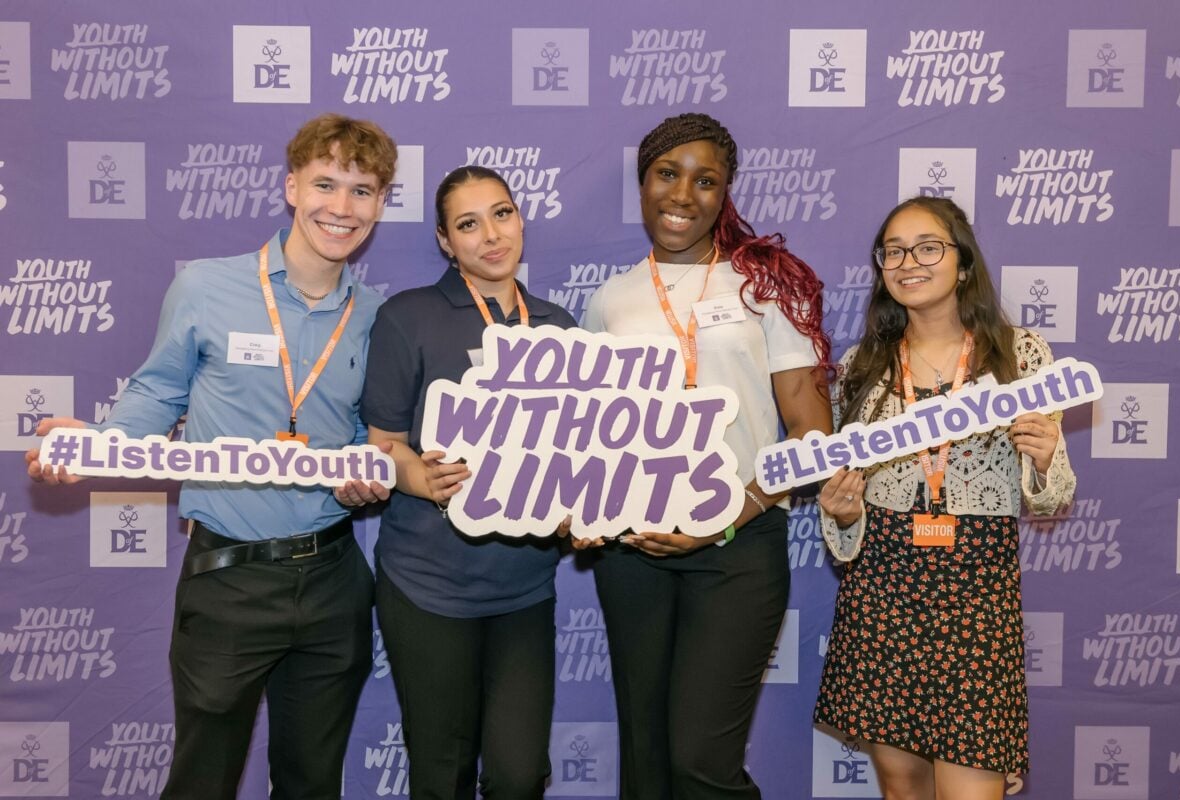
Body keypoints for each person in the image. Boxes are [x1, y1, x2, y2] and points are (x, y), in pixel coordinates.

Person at [25, 113, 397, 799]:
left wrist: (363, 476)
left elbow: (368, 434)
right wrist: (99, 446)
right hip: (229, 579)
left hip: (335, 578)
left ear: (379, 205)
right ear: (290, 187)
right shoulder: (207, 286)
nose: (341, 208)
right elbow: (158, 391)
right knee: (203, 780)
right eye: (325, 184)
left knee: (313, 782)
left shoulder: (377, 315)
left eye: (363, 191)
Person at [580, 112, 834, 799]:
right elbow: (590, 435)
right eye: (668, 174)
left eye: (705, 181)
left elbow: (812, 435)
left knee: (700, 762)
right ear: (643, 183)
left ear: (725, 196)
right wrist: (582, 509)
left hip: (737, 547)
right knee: (647, 753)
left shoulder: (766, 287)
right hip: (634, 552)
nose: (683, 194)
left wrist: (722, 517)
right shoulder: (609, 302)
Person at [813, 196, 1076, 800]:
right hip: (884, 589)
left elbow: (1050, 496)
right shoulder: (861, 367)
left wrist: (1043, 456)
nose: (910, 261)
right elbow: (846, 518)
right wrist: (845, 514)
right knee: (903, 790)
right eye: (894, 251)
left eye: (928, 246)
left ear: (962, 262)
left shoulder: (1021, 354)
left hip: (975, 593)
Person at [361, 166, 576, 799]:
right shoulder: (409, 317)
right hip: (428, 586)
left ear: (520, 220)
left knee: (517, 776)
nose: (490, 235)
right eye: (468, 223)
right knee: (442, 774)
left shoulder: (559, 326)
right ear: (444, 241)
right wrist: (421, 478)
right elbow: (382, 444)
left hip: (524, 588)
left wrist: (580, 510)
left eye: (502, 214)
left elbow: (576, 455)